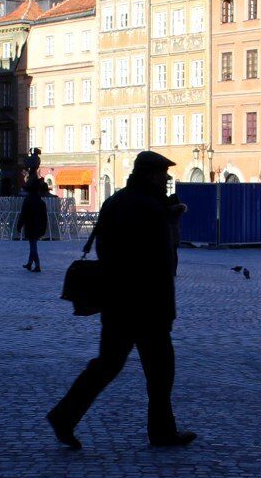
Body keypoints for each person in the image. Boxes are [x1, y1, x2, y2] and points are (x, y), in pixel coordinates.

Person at [47, 151, 195, 449]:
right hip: (148, 304)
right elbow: (163, 261)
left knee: (106, 365)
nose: (167, 179)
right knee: (160, 371)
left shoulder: (114, 201)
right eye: (163, 174)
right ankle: (162, 433)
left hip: (117, 301)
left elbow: (106, 249)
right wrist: (172, 223)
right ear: (151, 175)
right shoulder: (151, 208)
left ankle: (65, 416)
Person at [15, 178, 50, 273]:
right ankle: (30, 263)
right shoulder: (41, 202)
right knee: (33, 245)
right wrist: (44, 227)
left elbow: (23, 214)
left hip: (30, 226)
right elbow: (44, 217)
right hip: (39, 227)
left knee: (33, 246)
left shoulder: (27, 201)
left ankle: (37, 265)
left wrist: (19, 225)